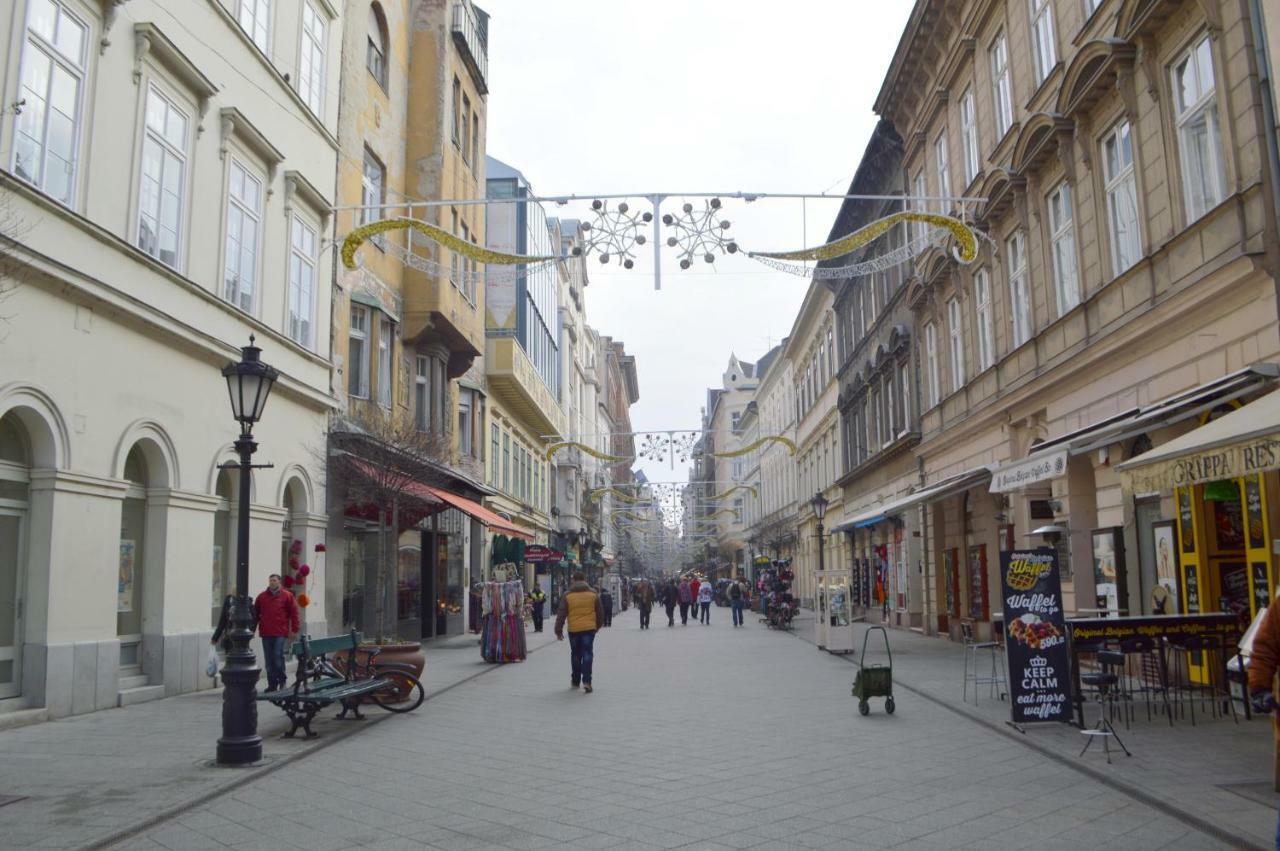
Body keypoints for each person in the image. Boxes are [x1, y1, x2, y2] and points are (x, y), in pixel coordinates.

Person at [555, 571, 604, 693]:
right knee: (587, 653)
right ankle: (587, 681)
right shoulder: (593, 594)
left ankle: (576, 680)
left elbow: (561, 614)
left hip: (574, 629)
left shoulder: (567, 595)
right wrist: (597, 626)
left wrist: (558, 630)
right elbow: (600, 612)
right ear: (584, 579)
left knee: (576, 654)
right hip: (589, 629)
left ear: (573, 580)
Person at [253, 574, 300, 693]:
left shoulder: (287, 596)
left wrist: (294, 629)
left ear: (279, 582)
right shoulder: (262, 597)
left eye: (274, 580)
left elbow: (294, 613)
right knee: (269, 660)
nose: (272, 582)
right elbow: (255, 615)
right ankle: (272, 684)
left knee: (277, 657)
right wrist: (252, 629)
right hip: (266, 632)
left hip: (280, 632)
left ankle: (282, 680)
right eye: (270, 580)